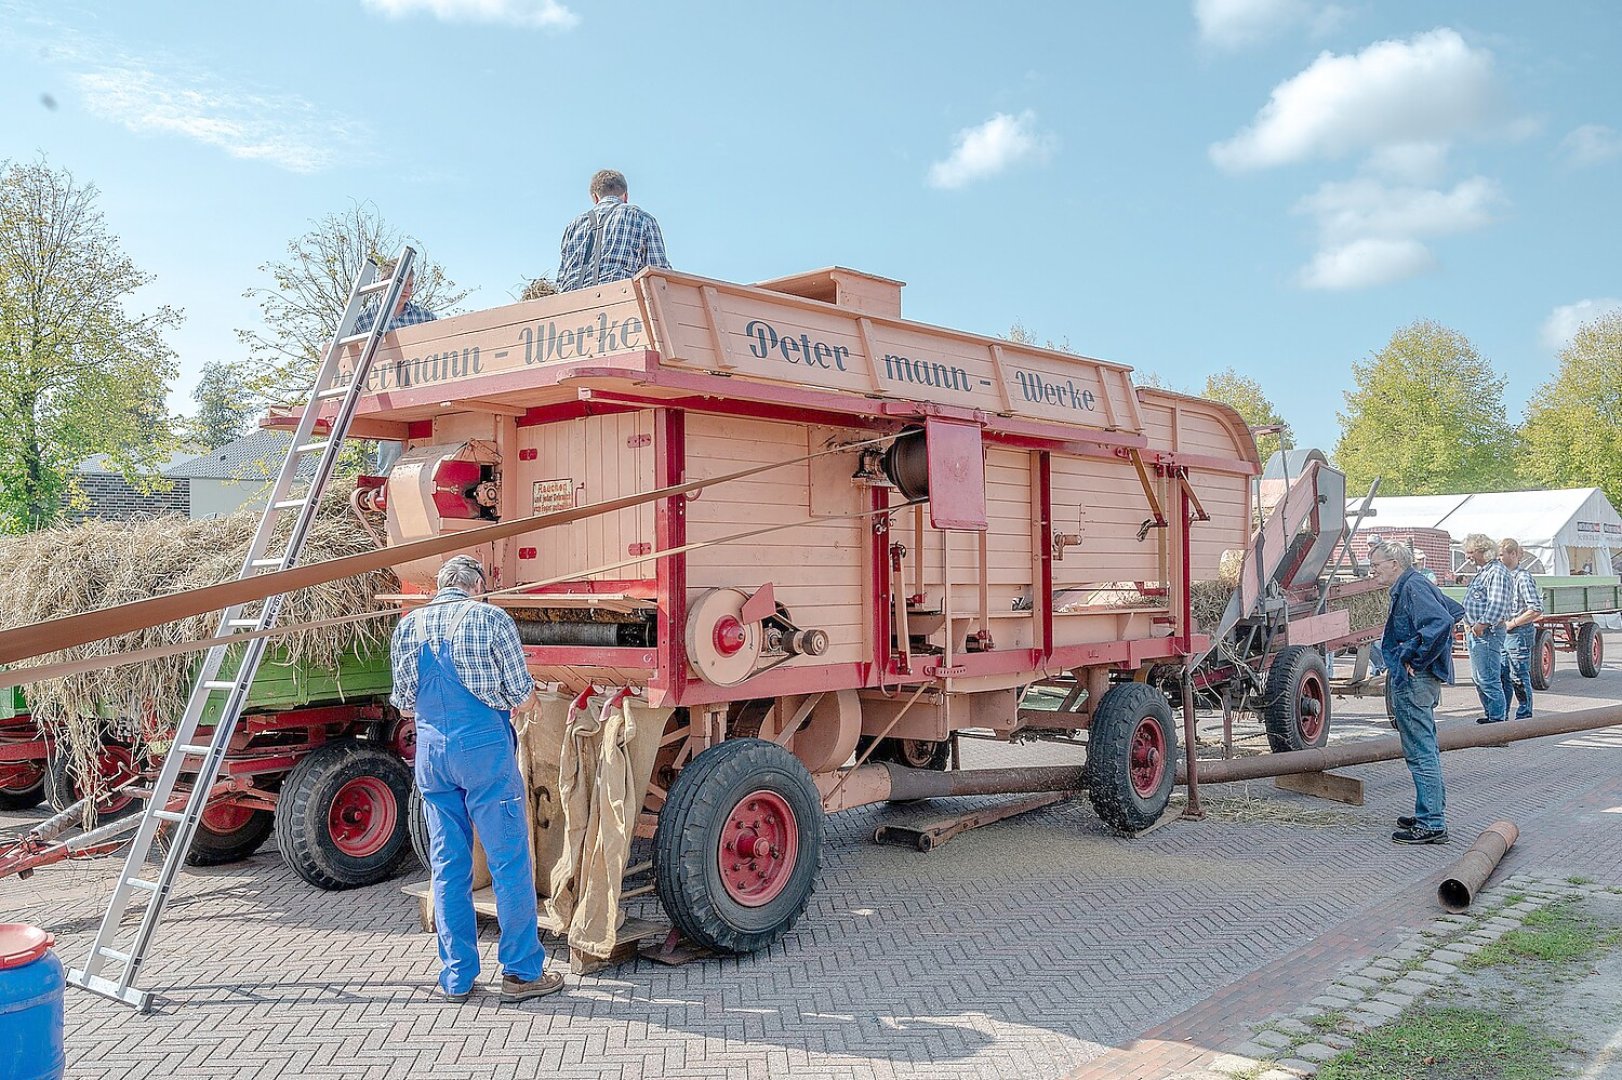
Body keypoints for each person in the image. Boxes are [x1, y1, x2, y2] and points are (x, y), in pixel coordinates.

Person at [390, 555, 563, 1003]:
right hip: (482, 750)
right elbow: (521, 695)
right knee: (508, 862)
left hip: (431, 752)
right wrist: (525, 705)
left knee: (448, 867)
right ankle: (522, 973)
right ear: (477, 586)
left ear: (441, 585)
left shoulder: (409, 626)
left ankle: (457, 976)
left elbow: (404, 704)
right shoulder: (490, 618)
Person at [1369, 541, 1464, 845]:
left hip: (1415, 682)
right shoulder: (1415, 584)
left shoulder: (1413, 587)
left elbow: (1442, 621)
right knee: (1425, 749)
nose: (1373, 571)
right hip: (1420, 679)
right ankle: (1430, 811)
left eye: (1376, 565)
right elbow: (1452, 610)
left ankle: (1432, 822)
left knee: (1420, 752)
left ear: (1395, 563)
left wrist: (1414, 659)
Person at [557, 169, 670, 292]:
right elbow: (659, 272)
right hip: (619, 299)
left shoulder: (573, 226)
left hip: (572, 304)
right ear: (626, 196)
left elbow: (561, 279)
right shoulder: (641, 217)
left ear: (595, 198)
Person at [1460, 533, 1516, 726]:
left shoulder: (1496, 573)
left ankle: (1497, 724)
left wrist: (1481, 625)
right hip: (1479, 631)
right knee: (1480, 678)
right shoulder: (1486, 570)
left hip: (1487, 632)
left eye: (1470, 552)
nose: (1468, 556)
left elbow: (1497, 604)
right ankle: (1492, 716)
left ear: (1483, 551)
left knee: (1488, 679)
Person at [1498, 538, 1543, 720]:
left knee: (1518, 675)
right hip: (1503, 632)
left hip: (1518, 633)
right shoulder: (1502, 577)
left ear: (1514, 554)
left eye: (1502, 555)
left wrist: (1514, 622)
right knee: (1503, 675)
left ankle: (1524, 716)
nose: (1499, 558)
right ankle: (1502, 715)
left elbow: (1536, 609)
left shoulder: (1522, 577)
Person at [354, 257, 438, 334]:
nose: (407, 290)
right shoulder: (362, 320)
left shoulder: (426, 317)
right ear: (384, 284)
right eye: (402, 284)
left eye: (410, 285)